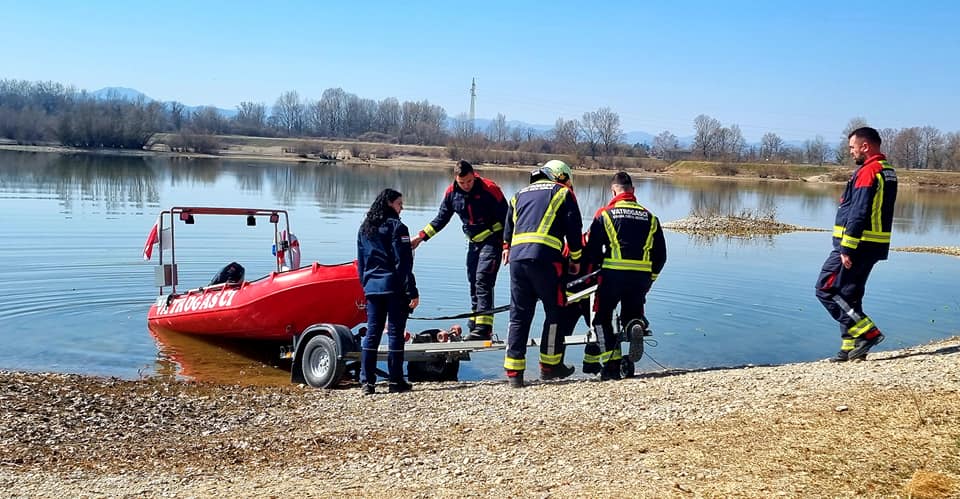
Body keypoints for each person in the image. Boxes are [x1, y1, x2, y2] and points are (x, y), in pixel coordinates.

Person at [816, 127, 897, 362]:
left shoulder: (869, 171)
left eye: (852, 147)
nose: (850, 152)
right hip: (871, 245)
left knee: (826, 289)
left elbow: (859, 211)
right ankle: (850, 348)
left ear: (865, 146)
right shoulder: (887, 170)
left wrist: (847, 248)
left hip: (856, 245)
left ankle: (868, 333)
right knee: (850, 295)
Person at [502, 160, 583, 388]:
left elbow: (508, 229)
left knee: (518, 315)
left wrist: (506, 247)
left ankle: (514, 375)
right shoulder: (562, 193)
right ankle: (549, 368)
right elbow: (573, 231)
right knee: (555, 312)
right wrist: (575, 259)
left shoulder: (518, 194)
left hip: (518, 262)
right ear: (560, 176)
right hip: (546, 261)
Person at [411, 160, 507, 341]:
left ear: (474, 175)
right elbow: (441, 219)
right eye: (462, 183)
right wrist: (420, 237)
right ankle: (475, 325)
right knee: (473, 281)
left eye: (469, 181)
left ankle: (484, 329)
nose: (466, 186)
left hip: (493, 240)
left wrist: (506, 245)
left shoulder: (490, 189)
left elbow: (508, 219)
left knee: (483, 279)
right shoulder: (451, 193)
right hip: (474, 243)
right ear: (456, 179)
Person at [584, 172, 666, 380]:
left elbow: (592, 252)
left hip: (612, 276)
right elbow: (661, 256)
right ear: (633, 190)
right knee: (631, 314)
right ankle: (634, 325)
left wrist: (592, 276)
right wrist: (651, 278)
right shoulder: (650, 217)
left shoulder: (604, 214)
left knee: (602, 320)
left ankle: (611, 367)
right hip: (640, 278)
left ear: (613, 190)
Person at [356, 188, 420, 395]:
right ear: (390, 204)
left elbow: (361, 262)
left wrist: (365, 285)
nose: (402, 208)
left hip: (372, 287)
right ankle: (395, 380)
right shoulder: (398, 228)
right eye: (400, 204)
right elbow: (403, 262)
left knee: (372, 333)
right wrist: (411, 290)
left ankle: (367, 382)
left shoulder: (365, 228)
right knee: (395, 333)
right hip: (393, 287)